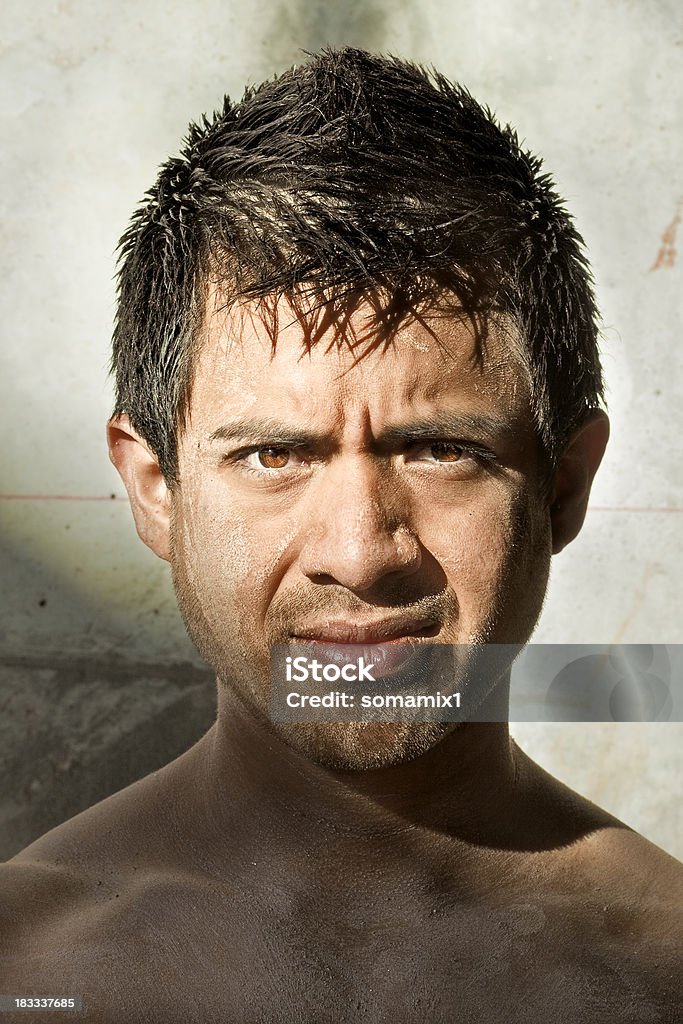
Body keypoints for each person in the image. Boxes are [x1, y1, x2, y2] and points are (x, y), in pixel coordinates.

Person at [1, 47, 680, 1023]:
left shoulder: (661, 971)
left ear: (561, 486)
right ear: (156, 490)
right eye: (275, 455)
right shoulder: (26, 966)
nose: (359, 554)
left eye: (437, 448)